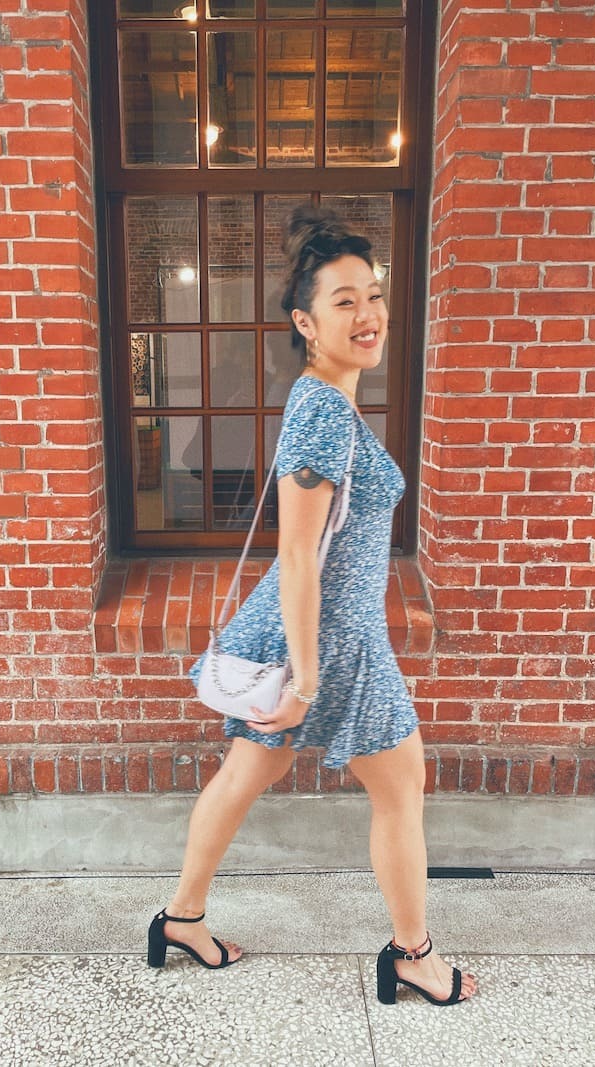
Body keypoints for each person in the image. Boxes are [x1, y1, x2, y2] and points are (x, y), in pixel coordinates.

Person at [147, 205, 478, 1006]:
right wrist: (305, 678)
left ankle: (181, 918)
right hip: (329, 643)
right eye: (344, 301)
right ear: (306, 321)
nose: (368, 315)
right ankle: (413, 956)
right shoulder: (323, 411)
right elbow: (296, 553)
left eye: (374, 296)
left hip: (332, 636)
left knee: (248, 772)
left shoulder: (327, 399)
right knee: (401, 786)